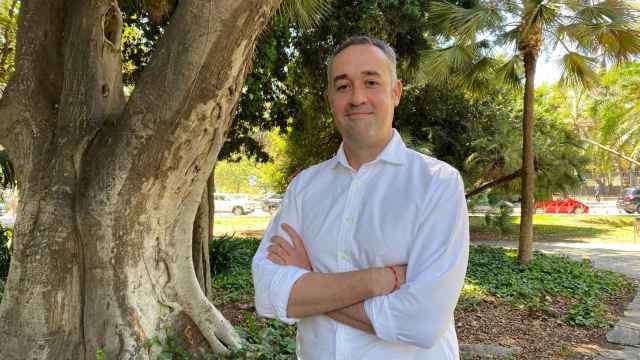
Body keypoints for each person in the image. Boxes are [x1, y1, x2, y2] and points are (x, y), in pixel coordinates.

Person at [251, 36, 469, 359]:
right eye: (343, 86)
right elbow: (268, 292)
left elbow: (421, 321)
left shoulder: (437, 184)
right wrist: (380, 280)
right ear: (330, 99)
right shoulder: (305, 187)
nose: (357, 98)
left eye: (370, 82)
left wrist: (312, 285)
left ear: (395, 92)